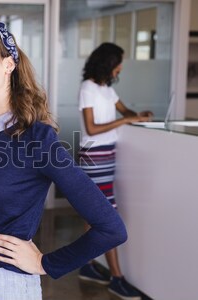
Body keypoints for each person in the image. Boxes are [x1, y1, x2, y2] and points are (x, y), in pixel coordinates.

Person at [0, 22, 128, 300]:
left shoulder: (38, 139)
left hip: (2, 288)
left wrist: (45, 263)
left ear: (8, 64)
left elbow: (112, 228)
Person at [77, 42, 152, 300]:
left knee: (92, 212)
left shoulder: (106, 89)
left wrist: (137, 114)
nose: (121, 68)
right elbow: (91, 128)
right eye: (119, 63)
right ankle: (117, 279)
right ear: (108, 64)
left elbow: (125, 111)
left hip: (107, 157)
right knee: (107, 217)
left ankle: (87, 265)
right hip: (94, 158)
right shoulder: (88, 88)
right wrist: (127, 119)